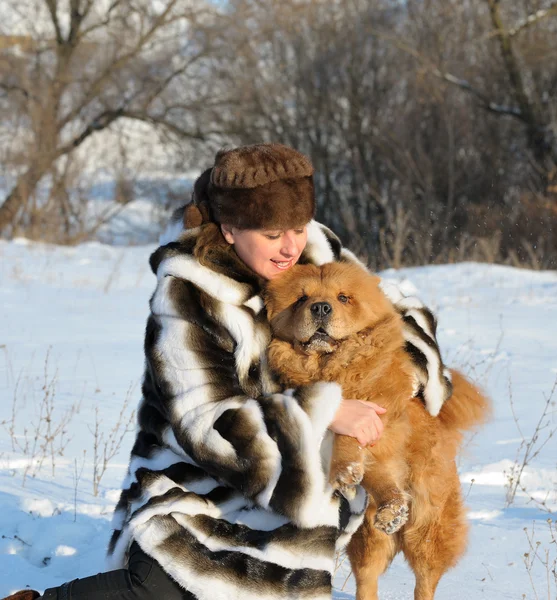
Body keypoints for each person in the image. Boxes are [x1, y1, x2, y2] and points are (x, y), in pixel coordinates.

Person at [4, 143, 451, 600]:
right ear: (232, 228)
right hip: (199, 480)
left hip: (290, 481)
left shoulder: (316, 251)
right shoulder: (190, 294)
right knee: (162, 586)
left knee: (274, 567)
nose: (290, 246)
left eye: (298, 228)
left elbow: (400, 312)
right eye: (274, 233)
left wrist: (400, 377)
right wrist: (323, 411)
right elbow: (206, 423)